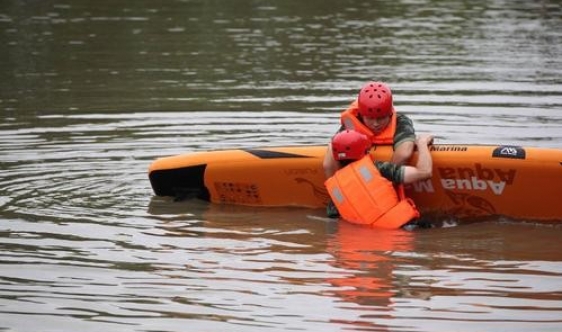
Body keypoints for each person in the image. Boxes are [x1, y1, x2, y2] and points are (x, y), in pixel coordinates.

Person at [324, 129, 434, 229]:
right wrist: (422, 144)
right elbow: (424, 172)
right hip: (402, 228)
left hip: (364, 238)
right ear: (366, 151)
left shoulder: (335, 190)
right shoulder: (378, 169)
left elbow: (335, 222)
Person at [323, 81, 416, 179]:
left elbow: (404, 154)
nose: (375, 124)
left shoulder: (401, 121)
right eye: (370, 118)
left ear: (390, 114)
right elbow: (329, 163)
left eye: (381, 118)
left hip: (382, 180)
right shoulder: (351, 123)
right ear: (361, 115)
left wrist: (383, 180)